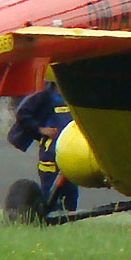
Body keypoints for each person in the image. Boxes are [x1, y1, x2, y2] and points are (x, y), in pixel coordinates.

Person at [9, 71, 79, 214]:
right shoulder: (45, 98)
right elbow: (23, 114)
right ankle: (48, 217)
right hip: (50, 156)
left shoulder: (74, 98)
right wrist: (40, 130)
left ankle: (67, 220)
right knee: (50, 192)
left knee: (71, 192)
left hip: (71, 153)